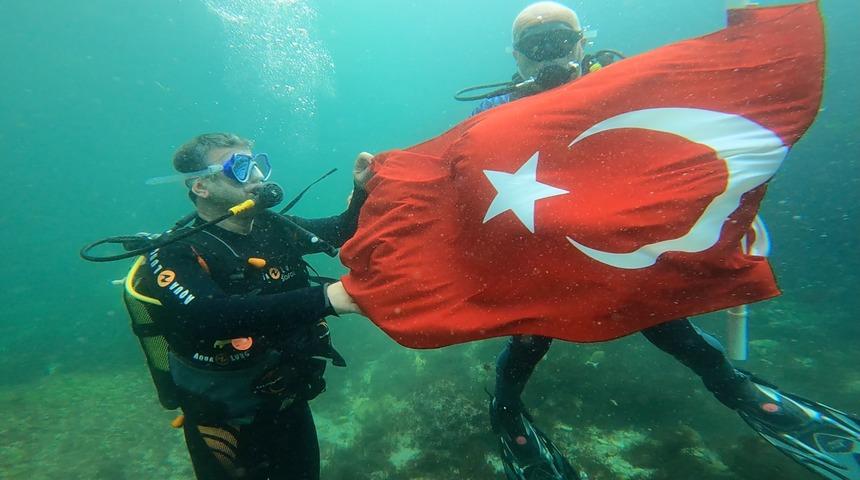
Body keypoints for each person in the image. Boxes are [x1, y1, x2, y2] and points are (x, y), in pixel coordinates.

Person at [458, 3, 860, 480]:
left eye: (559, 40)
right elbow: (466, 180)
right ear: (518, 57)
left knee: (667, 321)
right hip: (544, 256)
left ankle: (731, 384)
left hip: (624, 248)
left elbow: (684, 136)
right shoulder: (494, 112)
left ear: (582, 42)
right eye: (534, 46)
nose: (548, 55)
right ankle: (505, 407)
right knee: (529, 340)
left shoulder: (630, 83)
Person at [122, 133, 368, 479]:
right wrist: (326, 299)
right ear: (200, 186)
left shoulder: (274, 226)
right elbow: (210, 316)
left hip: (287, 399)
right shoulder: (175, 251)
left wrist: (363, 190)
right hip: (226, 419)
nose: (256, 177)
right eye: (239, 167)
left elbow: (341, 230)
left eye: (257, 164)